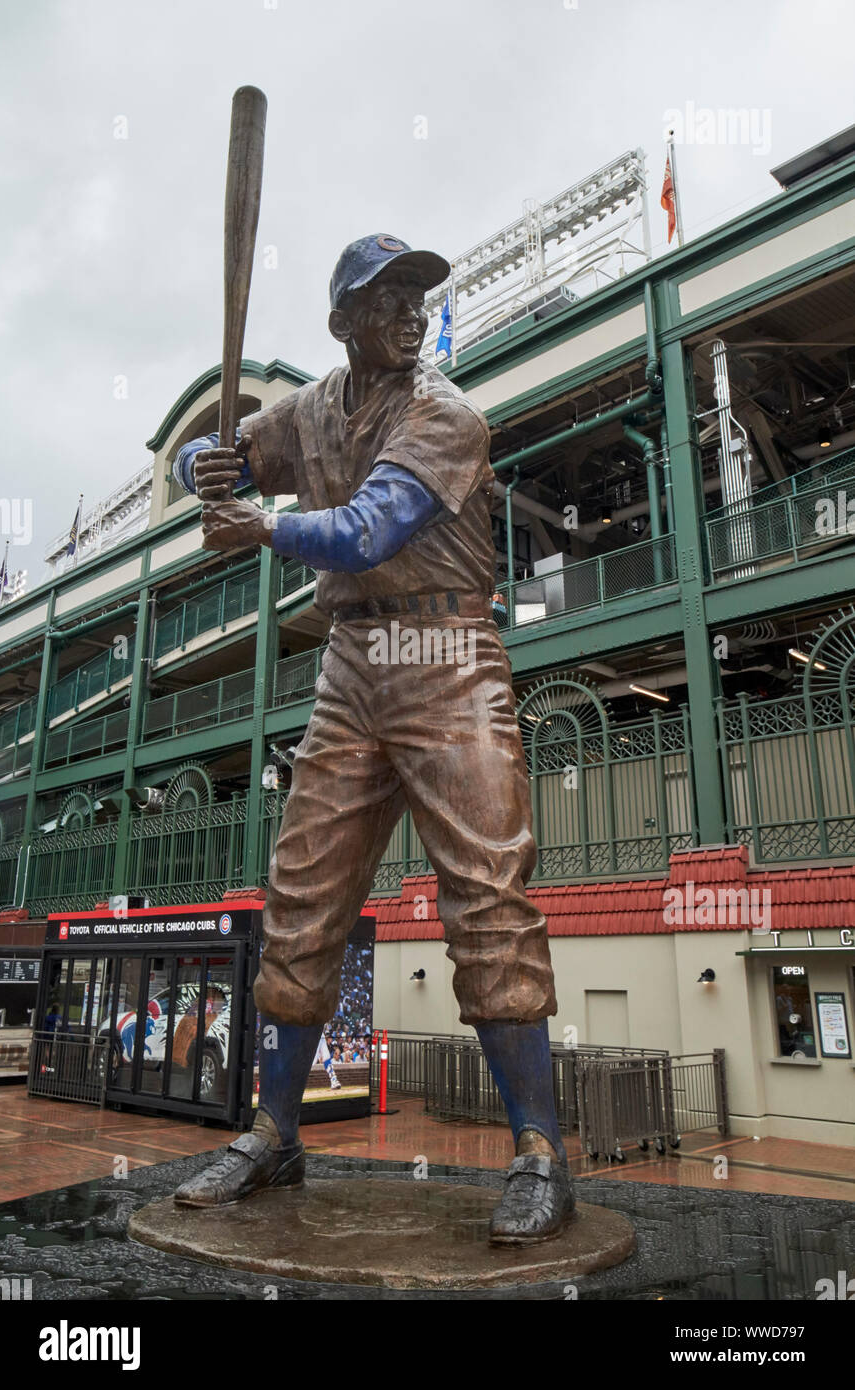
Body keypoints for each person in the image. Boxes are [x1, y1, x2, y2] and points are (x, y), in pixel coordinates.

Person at [172, 233, 574, 1244]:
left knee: (488, 894)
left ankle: (538, 1155)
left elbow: (363, 531)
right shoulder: (310, 408)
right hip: (352, 665)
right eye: (385, 297)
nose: (408, 311)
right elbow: (213, 455)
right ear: (343, 321)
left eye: (416, 297)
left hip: (446, 648)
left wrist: (261, 528)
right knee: (302, 898)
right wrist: (200, 461)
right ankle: (273, 1132)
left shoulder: (445, 413)